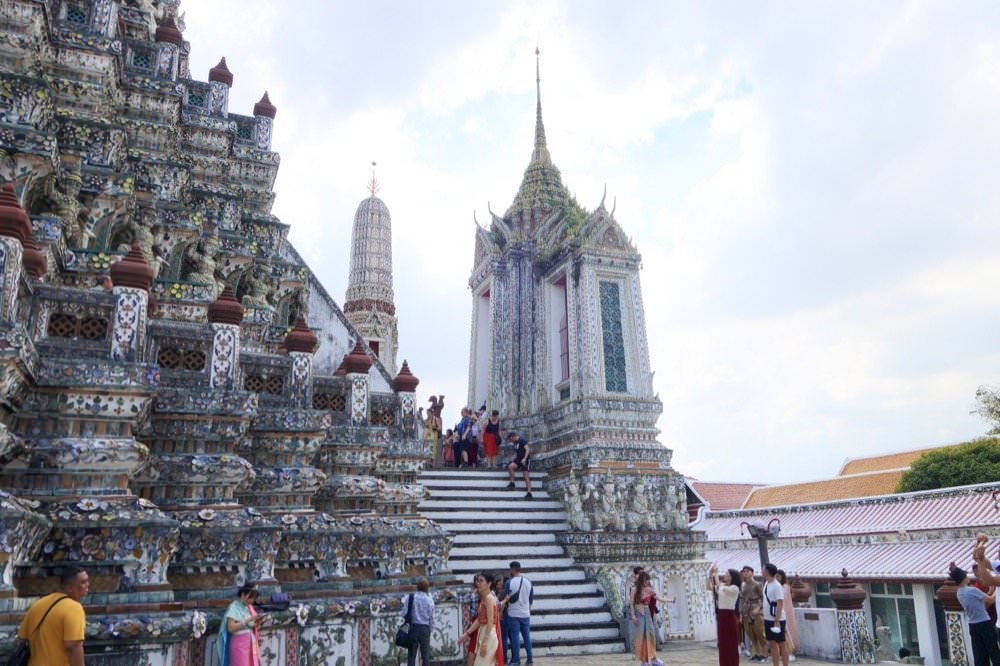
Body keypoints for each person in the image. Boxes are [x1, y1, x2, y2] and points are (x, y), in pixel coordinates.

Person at [16, 565, 89, 666]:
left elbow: (21, 639)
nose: (87, 585)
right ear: (70, 587)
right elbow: (73, 646)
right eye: (83, 582)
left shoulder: (39, 604)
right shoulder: (74, 608)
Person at [953, 565, 1000, 666]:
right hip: (985, 624)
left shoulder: (959, 593)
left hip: (973, 626)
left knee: (980, 655)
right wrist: (997, 589)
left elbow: (980, 604)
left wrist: (991, 590)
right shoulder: (972, 590)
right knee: (994, 652)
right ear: (963, 578)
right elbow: (991, 600)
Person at [459, 572, 504, 666]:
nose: (477, 583)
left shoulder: (489, 598)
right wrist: (466, 634)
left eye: (481, 581)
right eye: (477, 581)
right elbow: (479, 620)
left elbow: (491, 622)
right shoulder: (485, 598)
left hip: (488, 635)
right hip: (483, 633)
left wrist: (485, 643)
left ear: (489, 584)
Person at [632, 570, 674, 666]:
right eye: (646, 580)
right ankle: (644, 660)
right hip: (639, 614)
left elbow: (659, 598)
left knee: (651, 636)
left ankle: (653, 658)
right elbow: (631, 604)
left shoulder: (650, 590)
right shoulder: (634, 590)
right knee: (641, 638)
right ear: (642, 580)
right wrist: (633, 615)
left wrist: (671, 600)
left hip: (647, 614)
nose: (647, 582)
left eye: (648, 580)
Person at [218, 583, 267, 666]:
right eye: (250, 598)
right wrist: (246, 621)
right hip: (239, 645)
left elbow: (252, 625)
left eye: (253, 599)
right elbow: (230, 628)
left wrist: (258, 623)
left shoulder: (249, 607)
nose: (251, 601)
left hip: (250, 643)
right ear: (243, 594)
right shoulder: (234, 607)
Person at [502, 561, 534, 666]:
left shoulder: (509, 582)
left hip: (513, 614)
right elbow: (531, 599)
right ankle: (530, 659)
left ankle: (516, 660)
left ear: (512, 569)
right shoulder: (528, 581)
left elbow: (504, 597)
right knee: (527, 637)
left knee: (515, 637)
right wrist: (527, 609)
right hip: (525, 614)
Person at [708, 565, 741, 666]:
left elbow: (719, 586)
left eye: (727, 574)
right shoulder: (724, 586)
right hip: (721, 615)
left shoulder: (734, 588)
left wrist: (716, 574)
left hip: (729, 615)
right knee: (722, 643)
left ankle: (732, 663)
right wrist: (710, 575)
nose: (725, 575)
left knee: (730, 642)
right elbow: (711, 587)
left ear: (732, 577)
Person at [404, 577, 435, 666]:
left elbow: (403, 613)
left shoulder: (410, 598)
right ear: (427, 588)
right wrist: (430, 629)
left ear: (417, 587)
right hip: (425, 628)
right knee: (425, 656)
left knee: (411, 655)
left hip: (413, 627)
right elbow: (432, 617)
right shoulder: (430, 600)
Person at [740, 566, 768, 662]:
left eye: (747, 571)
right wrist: (741, 613)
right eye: (744, 572)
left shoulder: (757, 584)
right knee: (751, 634)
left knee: (760, 633)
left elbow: (762, 597)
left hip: (755, 610)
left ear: (752, 572)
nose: (745, 573)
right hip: (746, 611)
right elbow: (742, 599)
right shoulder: (744, 585)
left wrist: (759, 608)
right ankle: (757, 653)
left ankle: (764, 655)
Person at [762, 564, 788, 666]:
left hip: (778, 619)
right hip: (768, 618)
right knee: (772, 643)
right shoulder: (766, 584)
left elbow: (780, 603)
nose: (762, 571)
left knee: (782, 643)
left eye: (763, 569)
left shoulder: (777, 586)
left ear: (768, 571)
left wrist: (777, 620)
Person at [776, 570, 798, 661]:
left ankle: (789, 652)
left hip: (785, 613)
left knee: (787, 632)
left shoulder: (785, 587)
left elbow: (783, 600)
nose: (777, 578)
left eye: (779, 576)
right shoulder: (775, 586)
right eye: (776, 576)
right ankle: (782, 653)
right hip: (778, 613)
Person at [505, 432, 532, 499]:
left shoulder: (522, 441)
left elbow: (527, 450)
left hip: (525, 460)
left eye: (511, 439)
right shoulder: (515, 443)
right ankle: (512, 482)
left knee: (525, 475)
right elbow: (517, 453)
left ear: (513, 436)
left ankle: (529, 492)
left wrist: (525, 459)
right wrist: (511, 459)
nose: (511, 441)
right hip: (518, 459)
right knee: (510, 466)